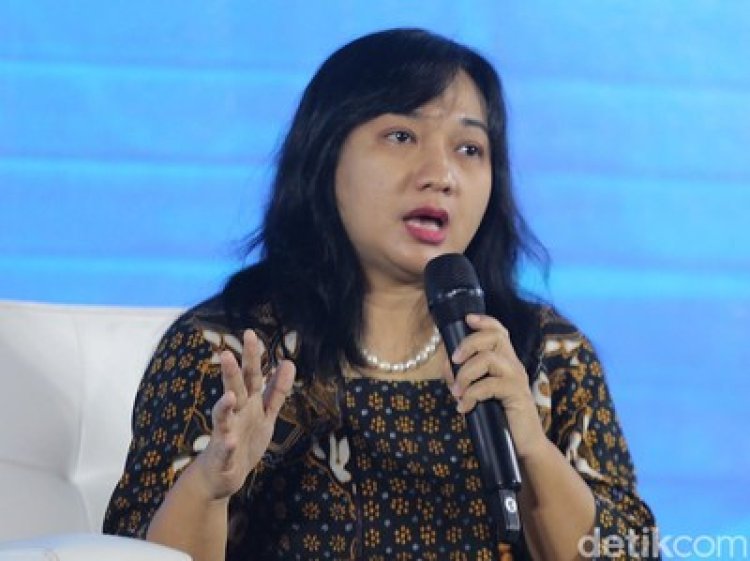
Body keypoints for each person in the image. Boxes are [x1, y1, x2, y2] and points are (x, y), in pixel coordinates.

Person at [103, 28, 658, 560]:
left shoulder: (546, 355)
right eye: (401, 136)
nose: (441, 174)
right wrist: (210, 486)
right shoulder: (228, 354)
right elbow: (128, 556)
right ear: (325, 154)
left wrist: (532, 447)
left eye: (470, 148)